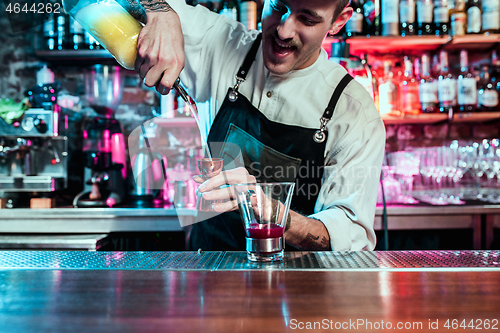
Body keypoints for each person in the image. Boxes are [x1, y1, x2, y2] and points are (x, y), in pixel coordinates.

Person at [132, 0, 386, 251]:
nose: (284, 31)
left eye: (307, 19)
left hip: (299, 287)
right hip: (209, 275)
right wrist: (158, 10)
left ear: (339, 21)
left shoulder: (354, 114)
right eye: (278, 7)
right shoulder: (220, 42)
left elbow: (350, 237)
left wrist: (273, 214)